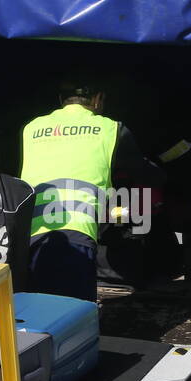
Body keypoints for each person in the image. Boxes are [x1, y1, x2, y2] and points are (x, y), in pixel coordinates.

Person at [19, 79, 163, 301]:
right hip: (77, 231)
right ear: (97, 99)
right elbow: (142, 171)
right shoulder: (111, 129)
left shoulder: (32, 128)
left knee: (38, 312)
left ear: (61, 100)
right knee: (75, 315)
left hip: (31, 234)